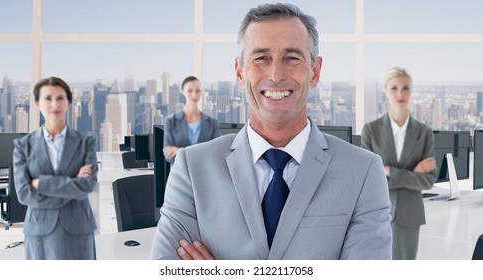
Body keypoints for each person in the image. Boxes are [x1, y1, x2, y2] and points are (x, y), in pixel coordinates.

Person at [150, 3, 392, 260]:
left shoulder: (363, 171)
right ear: (240, 72)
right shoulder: (192, 168)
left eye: (292, 58)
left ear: (315, 71)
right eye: (261, 58)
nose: (276, 75)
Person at [13, 77, 98, 260]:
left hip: (78, 228)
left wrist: (41, 183)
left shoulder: (85, 143)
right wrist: (72, 183)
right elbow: (24, 194)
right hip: (39, 230)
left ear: (68, 102)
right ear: (37, 103)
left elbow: (87, 186)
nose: (54, 104)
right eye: (48, 98)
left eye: (60, 98)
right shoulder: (23, 146)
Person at [361, 66, 436, 260]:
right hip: (376, 213)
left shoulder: (423, 133)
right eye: (394, 88)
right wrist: (413, 174)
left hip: (410, 216)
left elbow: (428, 181)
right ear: (385, 90)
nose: (400, 94)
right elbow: (368, 181)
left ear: (412, 91)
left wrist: (389, 172)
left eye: (406, 88)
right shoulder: (371, 131)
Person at [162, 76, 221, 164]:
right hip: (180, 175)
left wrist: (179, 151)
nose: (194, 95)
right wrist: (201, 154)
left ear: (201, 93)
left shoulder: (212, 123)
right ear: (183, 92)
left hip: (204, 175)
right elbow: (169, 155)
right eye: (190, 91)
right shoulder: (171, 121)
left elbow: (217, 152)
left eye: (197, 91)